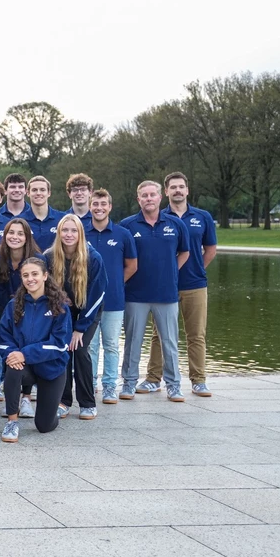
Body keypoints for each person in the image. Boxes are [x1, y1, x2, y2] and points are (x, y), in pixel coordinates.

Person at [143, 171, 218, 398]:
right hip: (165, 287)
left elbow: (211, 250)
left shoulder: (202, 217)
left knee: (196, 334)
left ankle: (198, 380)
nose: (177, 190)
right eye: (172, 187)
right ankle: (153, 379)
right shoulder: (159, 216)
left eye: (181, 187)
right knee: (159, 334)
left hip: (195, 284)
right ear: (165, 192)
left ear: (187, 190)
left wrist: (195, 269)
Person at [119, 181, 190, 402]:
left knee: (169, 341)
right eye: (144, 195)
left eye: (152, 195)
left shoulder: (175, 224)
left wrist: (170, 272)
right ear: (138, 199)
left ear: (161, 197)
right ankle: (129, 384)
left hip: (166, 294)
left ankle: (173, 386)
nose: (148, 199)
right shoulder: (127, 225)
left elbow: (185, 253)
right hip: (135, 295)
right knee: (133, 341)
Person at [0, 257, 71, 442]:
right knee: (13, 368)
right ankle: (12, 422)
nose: (31, 279)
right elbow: (3, 340)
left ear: (45, 276)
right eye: (26, 275)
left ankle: (53, 411)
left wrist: (25, 353)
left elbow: (59, 344)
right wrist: (14, 354)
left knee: (44, 426)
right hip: (25, 367)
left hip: (51, 369)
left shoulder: (60, 306)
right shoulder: (14, 305)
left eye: (35, 274)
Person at [43, 214, 107, 419]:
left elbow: (97, 295)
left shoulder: (93, 257)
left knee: (79, 349)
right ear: (59, 233)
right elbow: (48, 290)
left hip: (88, 309)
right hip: (63, 311)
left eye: (73, 231)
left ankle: (87, 402)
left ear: (80, 234)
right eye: (65, 230)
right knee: (62, 350)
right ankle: (63, 401)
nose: (69, 235)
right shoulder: (50, 256)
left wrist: (80, 328)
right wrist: (61, 310)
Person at [83, 189, 137, 404]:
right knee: (91, 346)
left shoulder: (122, 234)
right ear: (90, 206)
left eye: (103, 204)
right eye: (95, 204)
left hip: (114, 300)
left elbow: (132, 266)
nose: (99, 208)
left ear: (110, 207)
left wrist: (111, 283)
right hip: (87, 301)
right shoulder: (82, 232)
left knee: (112, 344)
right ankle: (91, 384)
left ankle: (109, 386)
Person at [0, 217, 42, 410]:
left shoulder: (37, 259)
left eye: (20, 233)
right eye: (11, 232)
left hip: (32, 309)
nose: (14, 237)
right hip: (4, 309)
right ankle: (1, 387)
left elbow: (41, 287)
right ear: (5, 235)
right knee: (6, 346)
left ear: (27, 238)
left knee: (28, 346)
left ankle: (26, 396)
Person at [25, 175, 66, 252]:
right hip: (29, 263)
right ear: (28, 193)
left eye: (42, 190)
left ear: (49, 193)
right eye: (34, 190)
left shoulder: (63, 219)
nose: (38, 193)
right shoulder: (19, 220)